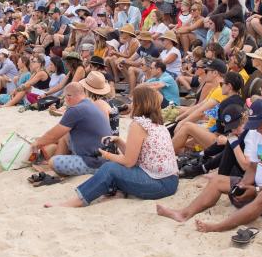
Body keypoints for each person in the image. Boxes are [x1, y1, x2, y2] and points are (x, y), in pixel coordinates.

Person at [162, 99, 262, 232]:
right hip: (260, 185)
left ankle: (220, 226)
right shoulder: (256, 132)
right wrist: (244, 185)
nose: (258, 129)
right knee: (217, 181)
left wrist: (258, 190)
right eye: (255, 125)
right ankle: (184, 214)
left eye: (261, 125)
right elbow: (252, 167)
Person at [46, 85, 179, 207]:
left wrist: (107, 155)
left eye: (133, 101)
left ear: (139, 103)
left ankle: (79, 200)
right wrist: (118, 141)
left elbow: (128, 162)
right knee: (115, 166)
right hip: (170, 181)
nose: (131, 104)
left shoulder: (139, 125)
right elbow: (137, 155)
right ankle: (116, 192)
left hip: (158, 184)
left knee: (109, 168)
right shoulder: (157, 124)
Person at [29, 80, 111, 179]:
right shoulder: (89, 105)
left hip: (95, 162)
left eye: (65, 97)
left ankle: (58, 169)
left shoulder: (76, 110)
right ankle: (57, 159)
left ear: (68, 97)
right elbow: (58, 133)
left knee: (53, 162)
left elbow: (53, 135)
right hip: (104, 156)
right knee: (65, 135)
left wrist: (37, 143)